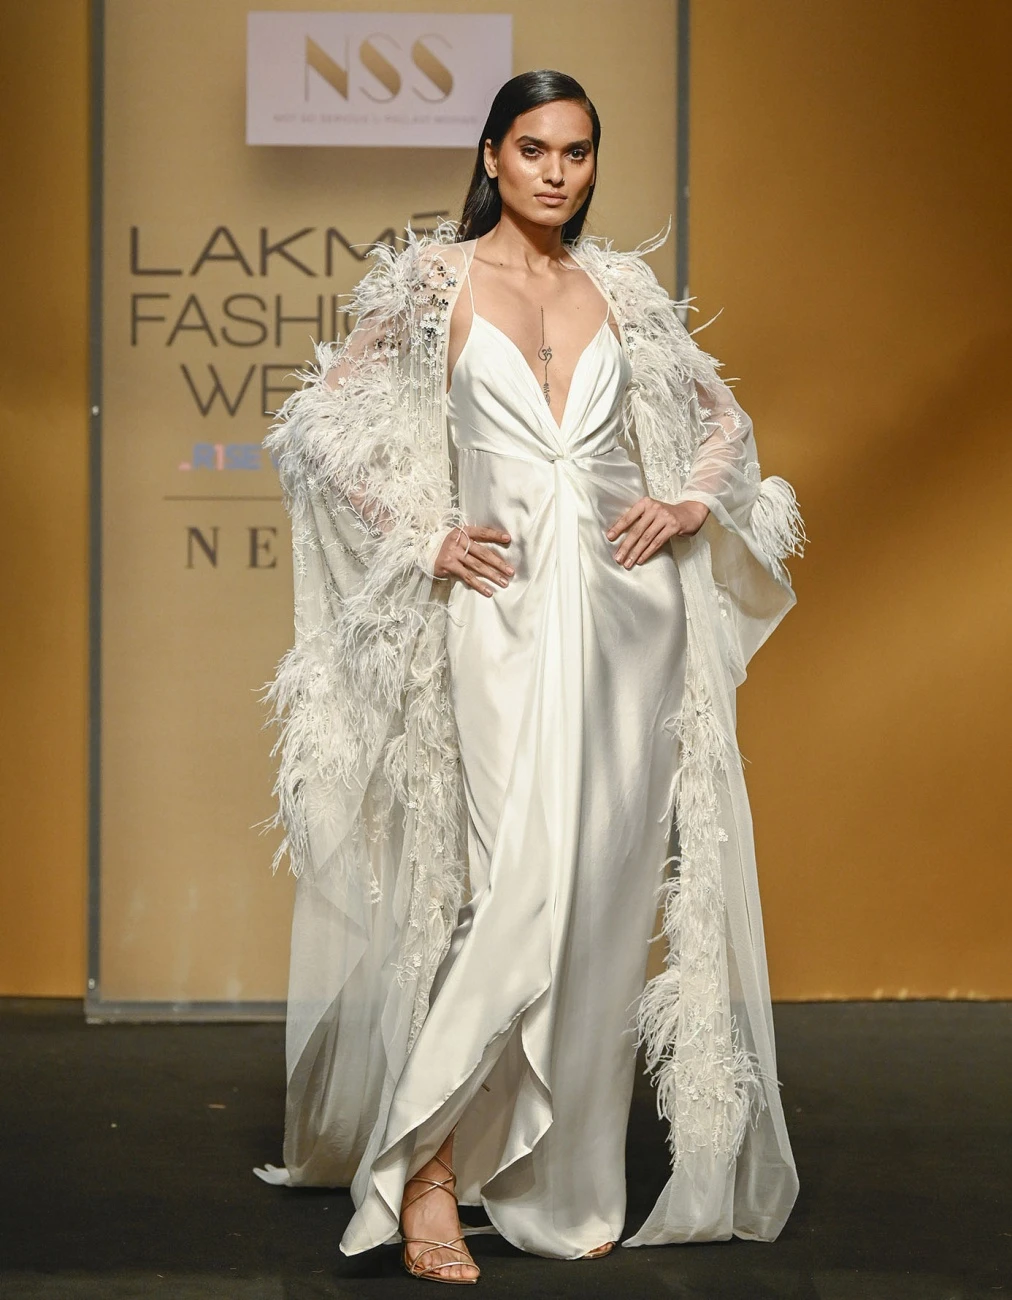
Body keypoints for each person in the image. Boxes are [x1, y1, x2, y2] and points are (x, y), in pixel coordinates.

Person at [256, 70, 805, 1284]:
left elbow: (723, 422)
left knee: (598, 890)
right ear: (491, 156)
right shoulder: (431, 283)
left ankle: (559, 1173)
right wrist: (423, 536)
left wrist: (688, 501)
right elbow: (315, 427)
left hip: (627, 621)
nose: (557, 172)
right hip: (499, 615)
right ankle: (425, 1168)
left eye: (577, 151)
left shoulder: (622, 290)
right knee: (512, 884)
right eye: (534, 149)